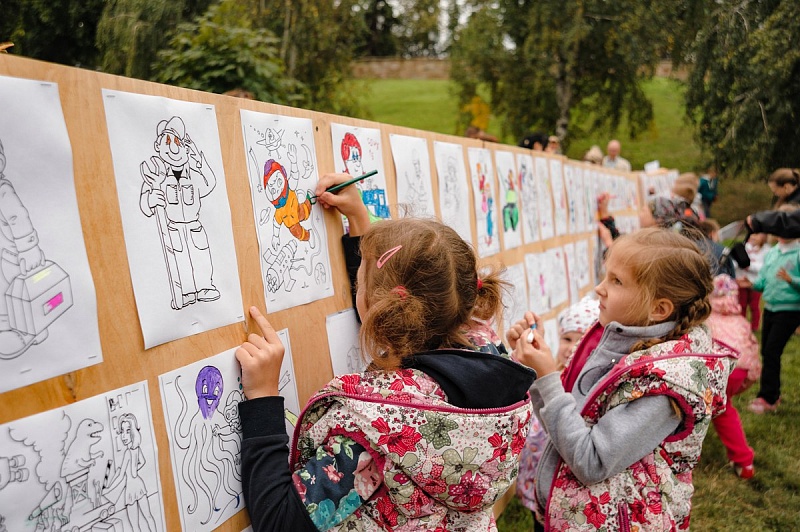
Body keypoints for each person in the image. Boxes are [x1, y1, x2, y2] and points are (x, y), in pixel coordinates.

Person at [235, 198, 536, 531]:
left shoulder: (372, 433)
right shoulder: (488, 361)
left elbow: (282, 522)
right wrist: (360, 227)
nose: (356, 288)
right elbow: (388, 307)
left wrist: (262, 399)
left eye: (359, 283)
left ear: (385, 307)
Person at [507, 227, 736, 530]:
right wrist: (534, 367)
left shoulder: (666, 387)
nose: (600, 288)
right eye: (605, 275)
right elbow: (566, 420)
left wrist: (548, 378)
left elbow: (591, 462)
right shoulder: (613, 339)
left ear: (658, 309)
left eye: (616, 281)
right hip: (566, 513)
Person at [516, 295, 600, 525]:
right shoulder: (553, 373)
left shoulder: (589, 388)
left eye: (580, 341)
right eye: (566, 338)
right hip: (538, 481)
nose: (570, 348)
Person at [740, 204, 800, 414]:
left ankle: (768, 397)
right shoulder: (773, 253)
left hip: (790, 310)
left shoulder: (798, 253)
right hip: (771, 309)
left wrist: (791, 280)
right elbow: (763, 281)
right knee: (767, 351)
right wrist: (750, 284)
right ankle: (771, 393)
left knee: (772, 351)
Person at [706, 274, 761, 478]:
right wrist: (749, 379)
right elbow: (752, 349)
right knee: (723, 409)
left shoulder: (705, 319)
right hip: (740, 370)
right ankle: (745, 463)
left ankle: (679, 454)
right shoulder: (740, 321)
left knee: (697, 408)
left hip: (717, 369)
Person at [746, 168, 800, 236]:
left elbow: (787, 222)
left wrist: (759, 221)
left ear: (786, 187)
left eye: (775, 191)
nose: (775, 194)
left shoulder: (793, 205)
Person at [736, 232, 769, 331]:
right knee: (742, 304)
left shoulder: (766, 250)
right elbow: (736, 262)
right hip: (742, 281)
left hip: (755, 282)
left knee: (754, 305)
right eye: (752, 234)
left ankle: (755, 326)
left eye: (757, 234)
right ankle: (742, 325)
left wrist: (749, 266)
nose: (753, 237)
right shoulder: (743, 247)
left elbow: (763, 267)